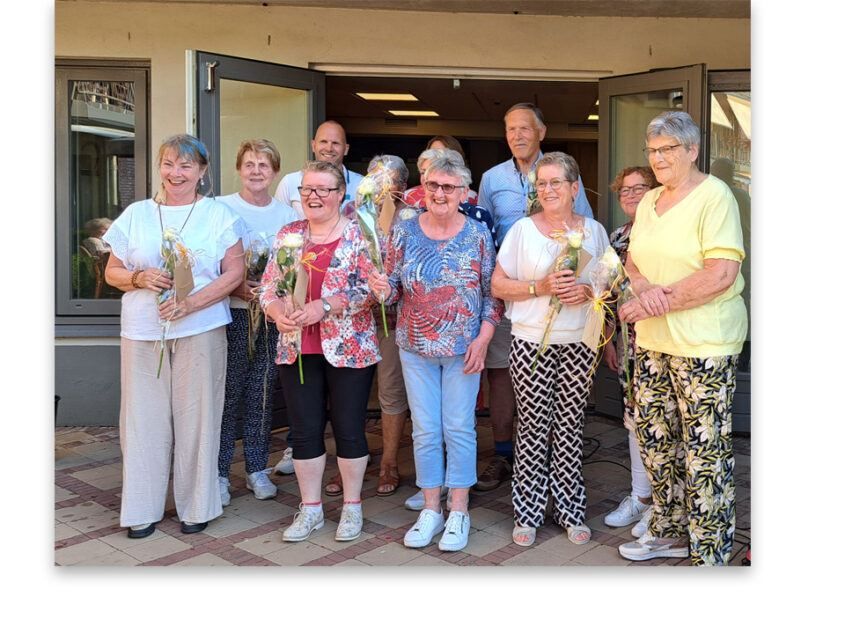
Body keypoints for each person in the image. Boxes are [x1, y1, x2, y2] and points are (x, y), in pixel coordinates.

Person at [616, 111, 747, 565]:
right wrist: (645, 291)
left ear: (692, 151)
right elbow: (632, 264)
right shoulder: (650, 200)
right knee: (657, 442)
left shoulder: (715, 196)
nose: (658, 158)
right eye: (652, 150)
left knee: (703, 449)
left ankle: (709, 550)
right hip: (653, 340)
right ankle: (670, 531)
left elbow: (721, 274)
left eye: (668, 149)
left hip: (704, 343)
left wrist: (659, 301)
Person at [102, 134, 245, 538]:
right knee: (142, 420)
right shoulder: (136, 214)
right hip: (143, 331)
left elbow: (234, 273)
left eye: (185, 166)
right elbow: (112, 271)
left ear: (202, 172)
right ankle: (141, 509)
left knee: (198, 416)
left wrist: (192, 303)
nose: (175, 173)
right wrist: (137, 276)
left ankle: (196, 506)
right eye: (168, 164)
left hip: (200, 329)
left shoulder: (217, 215)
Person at [369, 154, 503, 552]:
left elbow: (491, 297)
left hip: (464, 349)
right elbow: (393, 290)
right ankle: (431, 508)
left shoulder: (478, 234)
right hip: (415, 346)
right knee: (426, 430)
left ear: (464, 192)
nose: (440, 193)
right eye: (433, 185)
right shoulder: (405, 232)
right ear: (422, 188)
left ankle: (459, 510)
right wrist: (381, 289)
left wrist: (482, 339)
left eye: (448, 187)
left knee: (459, 427)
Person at [474, 103, 595, 493]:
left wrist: (586, 288)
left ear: (541, 131)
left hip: (568, 319)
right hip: (514, 302)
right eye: (510, 129)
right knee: (508, 385)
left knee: (564, 417)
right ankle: (506, 457)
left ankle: (561, 484)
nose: (517, 135)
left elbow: (588, 242)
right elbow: (481, 233)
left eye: (525, 128)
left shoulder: (564, 173)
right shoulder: (492, 179)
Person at [491, 152, 609, 547]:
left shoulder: (594, 230)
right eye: (541, 183)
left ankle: (570, 510)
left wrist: (589, 291)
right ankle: (528, 511)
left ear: (574, 188)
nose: (548, 190)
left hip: (580, 343)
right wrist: (538, 288)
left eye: (556, 182)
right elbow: (497, 285)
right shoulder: (523, 230)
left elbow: (608, 288)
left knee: (570, 427)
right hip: (531, 344)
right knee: (534, 427)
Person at [260, 160, 380, 543]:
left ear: (341, 193)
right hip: (297, 346)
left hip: (348, 347)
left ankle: (351, 508)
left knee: (348, 428)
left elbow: (370, 292)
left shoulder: (360, 234)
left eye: (323, 189)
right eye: (307, 190)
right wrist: (278, 313)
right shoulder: (289, 234)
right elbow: (268, 288)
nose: (313, 197)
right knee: (305, 430)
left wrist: (325, 305)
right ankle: (310, 509)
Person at [323, 154, 420, 498]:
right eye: (374, 179)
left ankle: (389, 462)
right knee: (348, 396)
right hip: (353, 319)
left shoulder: (413, 219)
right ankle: (347, 462)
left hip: (393, 318)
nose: (380, 187)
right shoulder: (349, 213)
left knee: (391, 392)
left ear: (402, 187)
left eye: (388, 180)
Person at [217, 139, 298, 506]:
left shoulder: (286, 216)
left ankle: (256, 469)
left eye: (263, 165)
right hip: (230, 315)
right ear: (239, 169)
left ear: (275, 173)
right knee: (227, 393)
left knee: (262, 394)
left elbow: (293, 269)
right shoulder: (219, 209)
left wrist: (271, 294)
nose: (255, 171)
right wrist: (237, 288)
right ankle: (218, 473)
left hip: (270, 318)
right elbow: (208, 265)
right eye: (249, 164)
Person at [601, 165, 659, 537]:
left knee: (662, 423)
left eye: (641, 188)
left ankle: (664, 504)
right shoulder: (616, 237)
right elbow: (608, 289)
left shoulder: (665, 231)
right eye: (625, 190)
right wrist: (610, 336)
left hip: (667, 339)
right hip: (631, 342)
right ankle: (640, 496)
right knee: (634, 419)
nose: (632, 196)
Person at [273, 121, 363, 217]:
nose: (329, 148)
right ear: (313, 145)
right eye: (323, 142)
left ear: (346, 149)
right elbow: (277, 222)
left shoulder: (362, 184)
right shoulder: (289, 182)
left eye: (335, 143)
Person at [403, 135, 478, 206]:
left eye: (445, 154)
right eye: (433, 153)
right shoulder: (408, 196)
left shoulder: (473, 198)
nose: (438, 160)